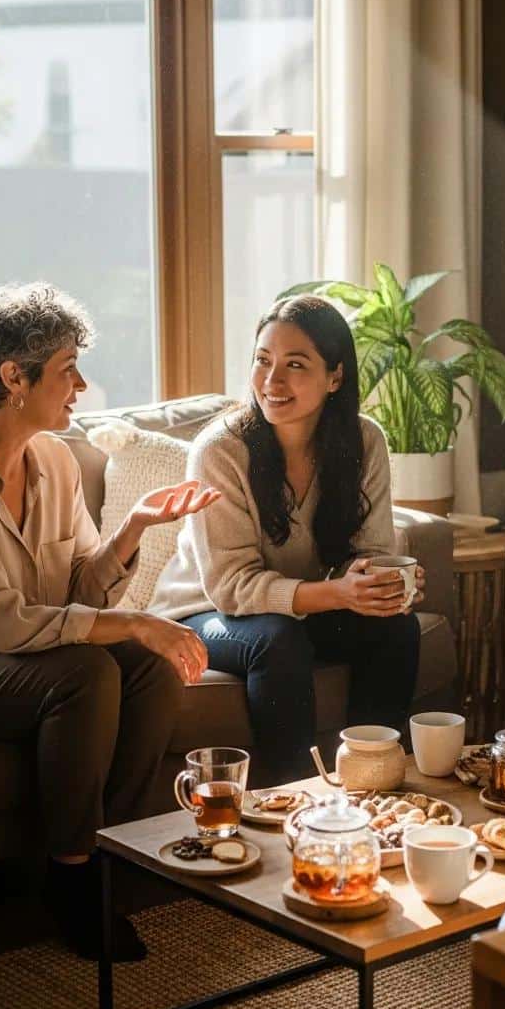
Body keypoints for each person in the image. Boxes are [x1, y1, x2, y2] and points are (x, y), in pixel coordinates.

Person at [0, 283, 219, 961]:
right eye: (67, 369)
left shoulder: (55, 460)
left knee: (148, 666)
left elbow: (80, 585)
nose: (82, 386)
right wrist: (132, 623)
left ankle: (110, 856)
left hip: (33, 657)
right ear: (14, 377)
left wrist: (132, 529)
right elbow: (6, 626)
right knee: (89, 671)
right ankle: (68, 877)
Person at [150, 295, 423, 783]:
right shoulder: (220, 450)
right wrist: (338, 594)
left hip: (307, 607)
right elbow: (231, 587)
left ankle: (374, 785)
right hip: (208, 613)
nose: (271, 381)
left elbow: (373, 550)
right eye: (263, 360)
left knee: (396, 628)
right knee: (278, 640)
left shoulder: (364, 441)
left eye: (295, 365)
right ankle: (288, 800)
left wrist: (381, 584)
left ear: (334, 377)